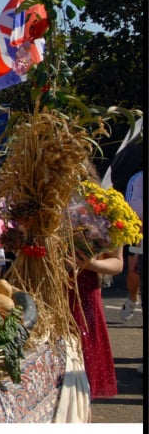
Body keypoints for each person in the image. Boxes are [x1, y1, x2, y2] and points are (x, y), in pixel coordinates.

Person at [68, 162, 123, 399]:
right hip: (51, 290)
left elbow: (117, 263)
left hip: (85, 293)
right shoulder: (47, 206)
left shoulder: (104, 208)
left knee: (84, 377)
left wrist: (90, 264)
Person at [121, 170, 143, 330]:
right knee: (134, 271)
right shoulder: (137, 179)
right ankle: (133, 298)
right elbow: (132, 212)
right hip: (140, 231)